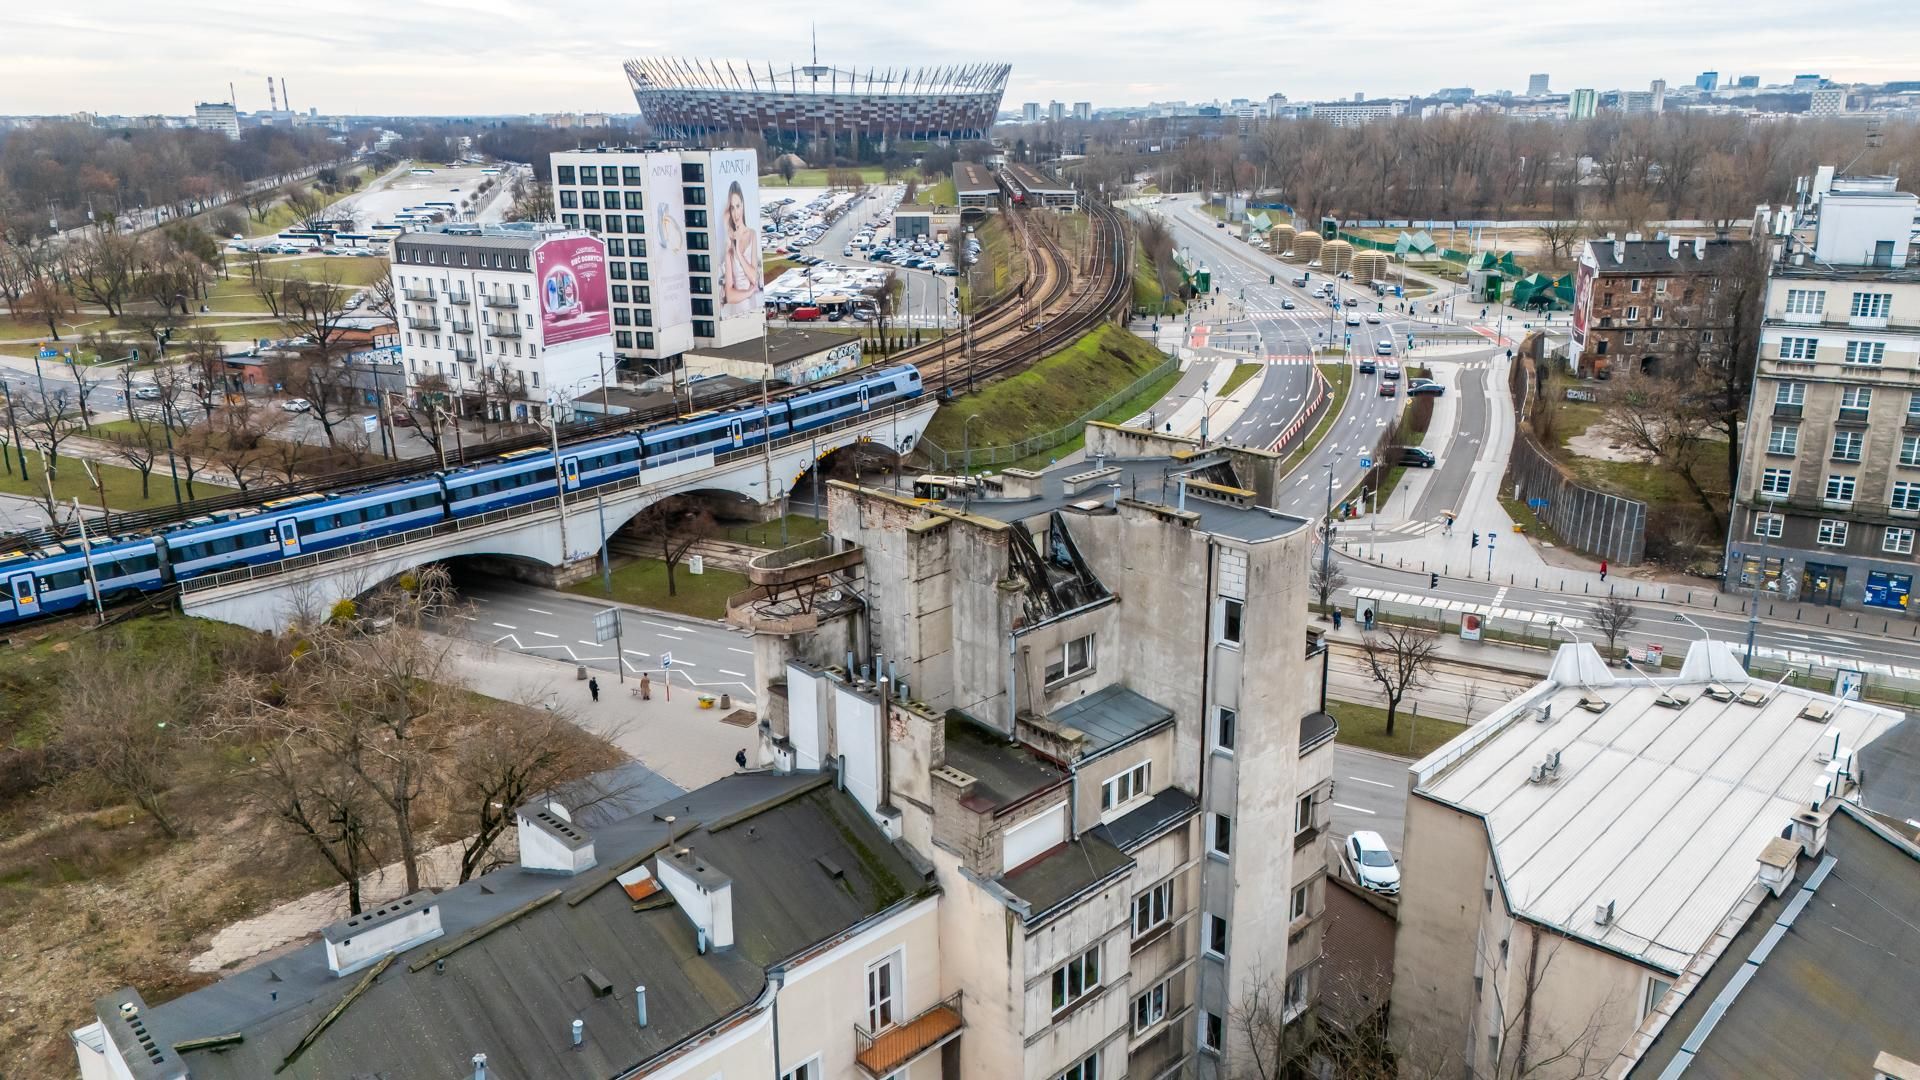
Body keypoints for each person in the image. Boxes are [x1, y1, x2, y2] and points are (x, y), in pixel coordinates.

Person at [719, 180, 762, 312]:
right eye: (732, 207)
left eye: (738, 206)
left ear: (743, 204)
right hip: (738, 308)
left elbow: (753, 277)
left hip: (752, 306)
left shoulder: (752, 234)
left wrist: (738, 251)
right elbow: (730, 296)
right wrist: (749, 293)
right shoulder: (728, 245)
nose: (736, 213)